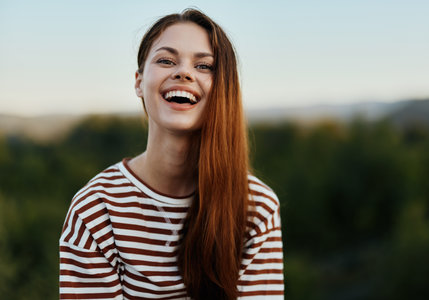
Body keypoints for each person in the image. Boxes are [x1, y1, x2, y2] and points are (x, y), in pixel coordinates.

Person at [59, 8, 284, 300]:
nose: (184, 72)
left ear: (223, 90)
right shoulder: (95, 211)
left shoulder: (257, 208)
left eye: (204, 66)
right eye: (166, 60)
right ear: (139, 82)